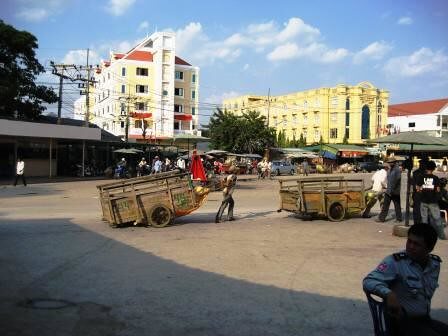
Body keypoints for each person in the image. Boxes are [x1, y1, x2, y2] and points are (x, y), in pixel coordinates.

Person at [363, 224, 448, 336]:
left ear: (429, 248)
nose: (411, 246)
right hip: (402, 323)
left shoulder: (434, 265)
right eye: (409, 241)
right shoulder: (395, 262)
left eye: (417, 244)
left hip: (424, 320)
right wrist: (389, 294)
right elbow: (369, 281)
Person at [416, 160, 446, 240]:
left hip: (423, 201)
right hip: (433, 201)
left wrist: (422, 191)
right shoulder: (435, 178)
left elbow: (417, 188)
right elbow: (438, 190)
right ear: (433, 169)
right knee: (437, 219)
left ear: (426, 168)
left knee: (424, 219)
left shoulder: (421, 177)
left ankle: (424, 236)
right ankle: (442, 236)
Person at [376, 157, 402, 223]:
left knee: (397, 206)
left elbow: (397, 180)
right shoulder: (389, 170)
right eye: (389, 162)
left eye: (391, 162)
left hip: (395, 191)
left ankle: (399, 219)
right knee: (385, 205)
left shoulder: (397, 170)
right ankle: (381, 218)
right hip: (388, 191)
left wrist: (393, 189)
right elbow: (388, 180)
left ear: (394, 162)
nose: (390, 164)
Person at [410, 159, 428, 225]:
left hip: (417, 194)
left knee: (417, 211)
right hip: (422, 194)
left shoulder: (415, 172)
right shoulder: (426, 173)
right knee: (421, 211)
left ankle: (417, 224)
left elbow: (412, 183)